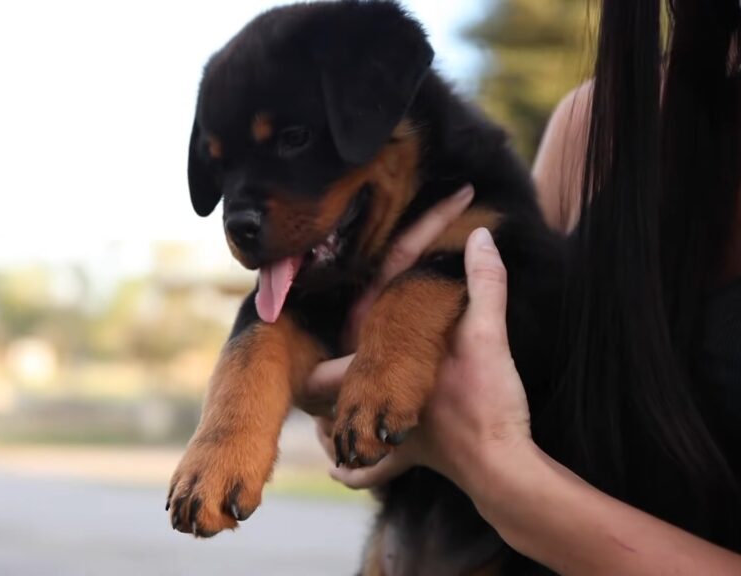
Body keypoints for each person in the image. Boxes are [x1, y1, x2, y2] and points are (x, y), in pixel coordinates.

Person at [299, 1, 741, 573]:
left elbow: (484, 442)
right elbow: (440, 403)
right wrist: (366, 389)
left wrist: (495, 469)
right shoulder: (598, 129)